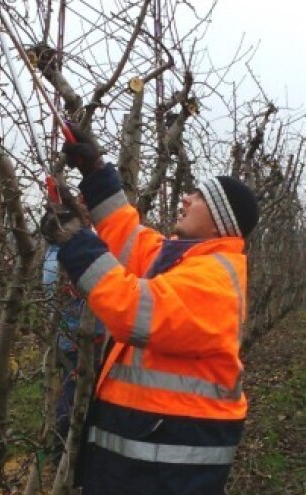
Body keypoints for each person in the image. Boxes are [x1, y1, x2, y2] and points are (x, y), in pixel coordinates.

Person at [41, 126, 259, 495]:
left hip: (169, 464)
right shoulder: (183, 260)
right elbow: (128, 236)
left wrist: (76, 241)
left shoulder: (215, 280)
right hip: (148, 450)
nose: (186, 198)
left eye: (199, 197)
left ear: (220, 222)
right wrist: (95, 173)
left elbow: (134, 310)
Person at [40, 215, 106, 458]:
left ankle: (65, 451)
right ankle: (63, 454)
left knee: (74, 393)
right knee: (74, 398)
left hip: (69, 339)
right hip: (81, 341)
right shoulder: (63, 261)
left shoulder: (53, 256)